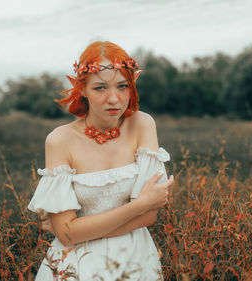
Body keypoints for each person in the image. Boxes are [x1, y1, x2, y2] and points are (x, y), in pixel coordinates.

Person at [27, 41, 175, 280]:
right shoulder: (59, 140)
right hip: (75, 264)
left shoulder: (142, 124)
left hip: (135, 260)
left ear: (133, 84)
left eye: (123, 86)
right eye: (100, 88)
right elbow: (66, 236)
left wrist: (77, 231)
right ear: (81, 88)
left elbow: (150, 216)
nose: (114, 99)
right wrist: (138, 206)